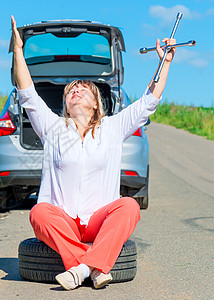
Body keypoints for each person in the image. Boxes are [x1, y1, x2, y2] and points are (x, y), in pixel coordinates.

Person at [11, 15, 176, 290]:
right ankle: (95, 267)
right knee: (39, 212)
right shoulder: (52, 127)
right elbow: (27, 93)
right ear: (64, 103)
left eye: (83, 89)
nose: (76, 90)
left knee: (129, 206)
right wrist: (18, 50)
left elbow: (149, 102)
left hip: (98, 221)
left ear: (97, 105)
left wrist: (165, 63)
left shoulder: (112, 127)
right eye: (71, 90)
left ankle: (81, 269)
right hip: (63, 220)